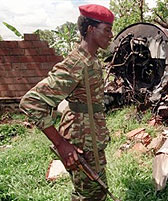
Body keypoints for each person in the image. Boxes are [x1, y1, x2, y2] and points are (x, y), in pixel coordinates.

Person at [19, 4, 114, 201]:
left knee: (95, 192)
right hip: (82, 141)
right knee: (89, 195)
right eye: (107, 30)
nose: (111, 35)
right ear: (90, 29)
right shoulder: (76, 63)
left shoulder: (91, 59)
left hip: (91, 138)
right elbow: (31, 102)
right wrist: (61, 143)